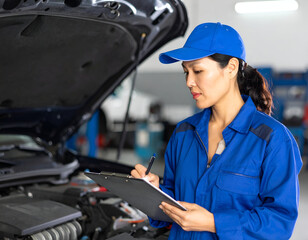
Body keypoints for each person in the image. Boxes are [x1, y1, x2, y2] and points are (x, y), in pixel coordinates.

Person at [131, 22, 302, 239]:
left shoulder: (272, 140)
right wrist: (155, 193)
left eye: (198, 71)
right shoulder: (184, 133)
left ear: (231, 68)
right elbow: (175, 204)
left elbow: (279, 223)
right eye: (186, 72)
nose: (189, 82)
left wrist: (213, 223)